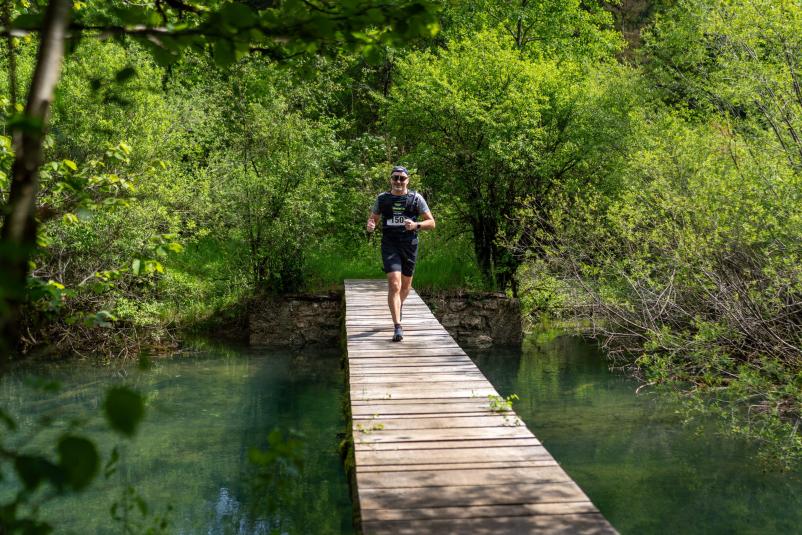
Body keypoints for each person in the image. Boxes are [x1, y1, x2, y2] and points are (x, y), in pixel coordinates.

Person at [366, 166, 435, 342]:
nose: (398, 181)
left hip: (409, 245)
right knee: (394, 285)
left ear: (407, 180)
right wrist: (370, 227)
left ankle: (399, 305)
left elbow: (432, 222)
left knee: (405, 286)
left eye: (402, 178)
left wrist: (416, 225)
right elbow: (373, 220)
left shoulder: (416, 199)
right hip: (390, 244)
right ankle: (397, 326)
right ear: (391, 180)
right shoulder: (382, 199)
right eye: (395, 178)